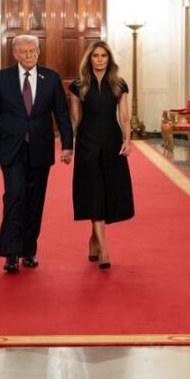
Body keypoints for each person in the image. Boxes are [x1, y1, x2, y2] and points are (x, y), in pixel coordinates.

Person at [0, 34, 74, 272]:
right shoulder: (1, 78)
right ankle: (11, 254)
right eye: (24, 52)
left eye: (33, 51)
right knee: (14, 196)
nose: (29, 55)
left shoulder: (51, 77)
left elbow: (61, 113)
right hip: (11, 148)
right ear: (15, 54)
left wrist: (67, 144)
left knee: (35, 200)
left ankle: (29, 250)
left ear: (38, 52)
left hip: (40, 148)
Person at [68, 41, 134, 269]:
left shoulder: (118, 84)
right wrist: (68, 145)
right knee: (93, 189)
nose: (99, 59)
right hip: (87, 142)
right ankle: (104, 249)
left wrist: (127, 140)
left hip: (111, 142)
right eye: (95, 55)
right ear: (89, 59)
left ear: (109, 59)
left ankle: (94, 239)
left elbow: (124, 117)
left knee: (106, 190)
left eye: (103, 56)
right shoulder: (78, 86)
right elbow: (75, 119)